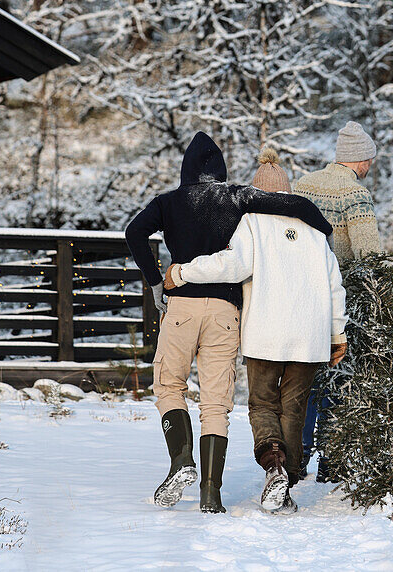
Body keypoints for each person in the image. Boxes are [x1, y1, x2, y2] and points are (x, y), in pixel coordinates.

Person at [125, 133, 331, 514]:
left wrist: (157, 281)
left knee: (169, 385)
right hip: (225, 312)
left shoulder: (168, 202)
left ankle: (181, 459)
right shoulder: (238, 197)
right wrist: (321, 224)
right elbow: (288, 203)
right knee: (216, 403)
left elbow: (133, 232)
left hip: (182, 307)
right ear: (220, 170)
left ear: (186, 170)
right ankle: (210, 494)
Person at [293, 120, 379, 480]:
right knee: (339, 377)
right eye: (370, 160)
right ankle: (333, 461)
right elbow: (369, 255)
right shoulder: (355, 194)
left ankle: (298, 457)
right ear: (360, 160)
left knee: (304, 380)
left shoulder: (303, 184)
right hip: (342, 298)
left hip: (298, 295)